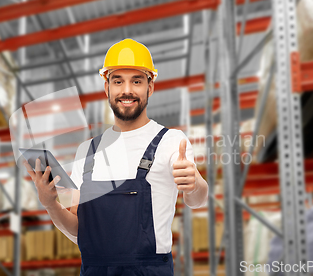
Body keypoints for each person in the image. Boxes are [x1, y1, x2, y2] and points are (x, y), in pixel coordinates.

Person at [24, 38, 208, 275]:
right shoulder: (87, 151)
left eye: (137, 81)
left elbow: (197, 200)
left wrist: (194, 184)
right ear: (107, 88)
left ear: (150, 87)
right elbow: (79, 231)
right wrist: (50, 204)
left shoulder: (171, 140)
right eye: (118, 81)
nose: (127, 90)